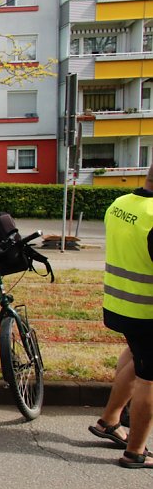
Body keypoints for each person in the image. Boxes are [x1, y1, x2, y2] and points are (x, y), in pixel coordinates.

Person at [88, 163, 153, 469]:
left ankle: (109, 420)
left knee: (134, 356)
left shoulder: (120, 205)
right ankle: (135, 452)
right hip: (146, 311)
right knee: (149, 379)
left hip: (119, 304)